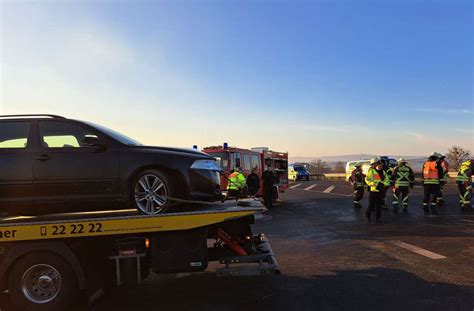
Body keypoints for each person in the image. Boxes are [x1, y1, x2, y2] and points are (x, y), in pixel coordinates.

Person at [365, 158, 390, 223]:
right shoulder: (371, 171)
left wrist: (384, 185)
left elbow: (387, 180)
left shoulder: (383, 172)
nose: (378, 165)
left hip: (381, 191)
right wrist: (373, 184)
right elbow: (367, 180)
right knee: (371, 204)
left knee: (379, 205)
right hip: (374, 190)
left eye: (378, 164)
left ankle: (378, 218)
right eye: (375, 163)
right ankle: (367, 215)